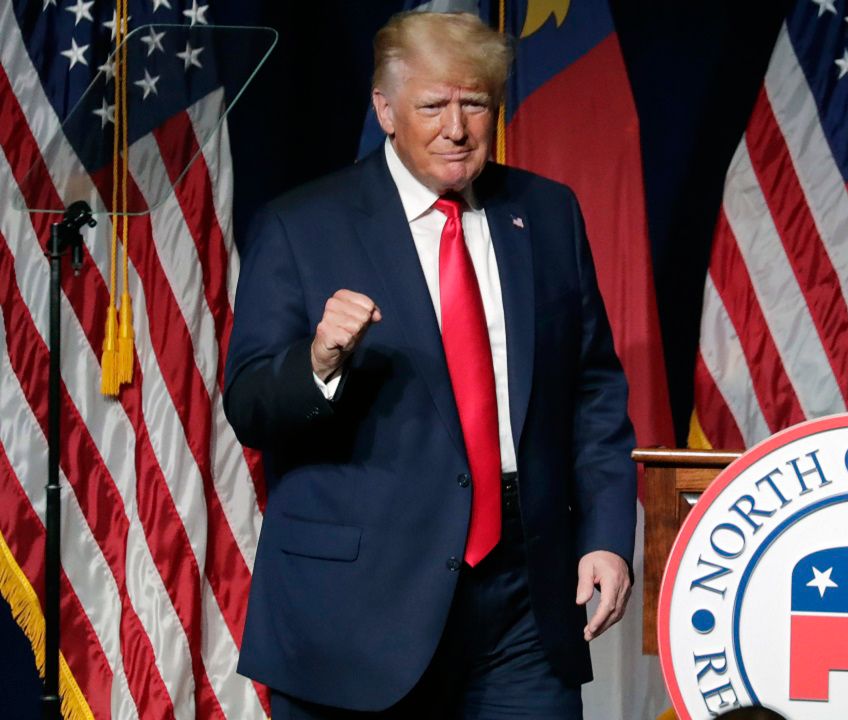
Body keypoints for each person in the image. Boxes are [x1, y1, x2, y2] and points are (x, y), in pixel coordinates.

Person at [223, 11, 636, 718]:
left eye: (474, 103)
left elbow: (593, 390)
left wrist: (605, 537)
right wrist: (319, 361)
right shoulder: (302, 226)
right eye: (432, 105)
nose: (457, 127)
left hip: (522, 602)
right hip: (360, 609)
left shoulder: (545, 213)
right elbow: (251, 404)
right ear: (384, 109)